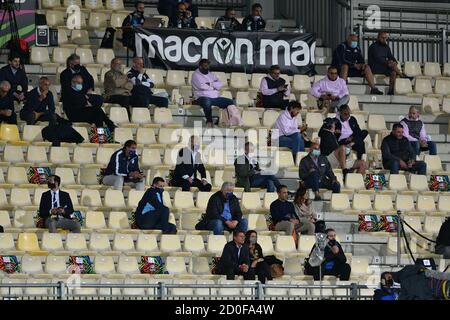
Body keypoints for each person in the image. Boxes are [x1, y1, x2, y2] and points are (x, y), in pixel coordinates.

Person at [192, 59, 235, 127]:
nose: (207, 68)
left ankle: (221, 121)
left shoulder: (211, 74)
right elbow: (202, 86)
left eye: (208, 66)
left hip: (215, 97)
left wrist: (210, 84)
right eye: (205, 66)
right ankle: (209, 121)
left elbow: (220, 84)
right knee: (207, 102)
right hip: (201, 97)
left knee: (230, 102)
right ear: (200, 66)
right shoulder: (196, 75)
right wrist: (213, 87)